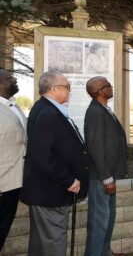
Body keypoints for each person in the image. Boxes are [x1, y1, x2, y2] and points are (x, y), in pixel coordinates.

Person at [20, 71, 89, 256]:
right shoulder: (48, 113)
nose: (69, 90)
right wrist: (68, 181)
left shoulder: (46, 109)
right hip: (50, 193)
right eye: (66, 86)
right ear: (54, 89)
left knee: (42, 243)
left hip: (47, 192)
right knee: (53, 243)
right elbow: (42, 156)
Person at [84, 76, 128, 256]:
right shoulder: (94, 112)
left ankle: (104, 252)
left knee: (108, 218)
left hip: (108, 174)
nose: (111, 87)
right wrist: (107, 178)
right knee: (99, 220)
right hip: (101, 177)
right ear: (99, 91)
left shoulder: (103, 109)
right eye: (108, 85)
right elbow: (95, 147)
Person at [0, 69, 27, 251]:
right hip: (2, 184)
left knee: (3, 231)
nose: (15, 79)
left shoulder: (14, 106)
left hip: (14, 183)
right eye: (10, 78)